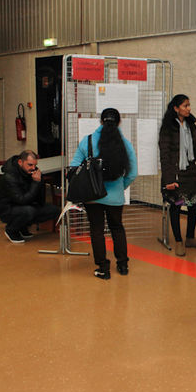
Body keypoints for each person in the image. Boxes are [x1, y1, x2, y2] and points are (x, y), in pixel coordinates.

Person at [70, 108, 137, 280]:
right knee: (117, 228)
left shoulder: (88, 141)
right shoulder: (125, 144)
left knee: (97, 230)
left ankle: (103, 268)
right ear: (119, 122)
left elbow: (74, 167)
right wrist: (121, 187)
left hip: (92, 194)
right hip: (115, 196)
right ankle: (122, 265)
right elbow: (132, 173)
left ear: (100, 121)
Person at [159, 94, 196, 257]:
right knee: (177, 206)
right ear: (176, 108)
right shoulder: (167, 128)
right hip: (176, 174)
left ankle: (190, 237)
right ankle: (178, 241)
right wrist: (169, 179)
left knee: (193, 205)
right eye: (185, 106)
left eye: (189, 105)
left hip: (191, 172)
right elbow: (164, 154)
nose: (189, 108)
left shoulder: (191, 125)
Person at [0, 150, 60, 244]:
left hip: (23, 204)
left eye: (34, 165)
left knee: (54, 210)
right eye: (30, 165)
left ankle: (22, 227)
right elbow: (21, 200)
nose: (33, 168)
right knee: (29, 211)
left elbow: (40, 200)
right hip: (4, 207)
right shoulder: (10, 176)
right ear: (20, 162)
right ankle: (11, 230)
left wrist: (40, 182)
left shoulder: (31, 172)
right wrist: (35, 183)